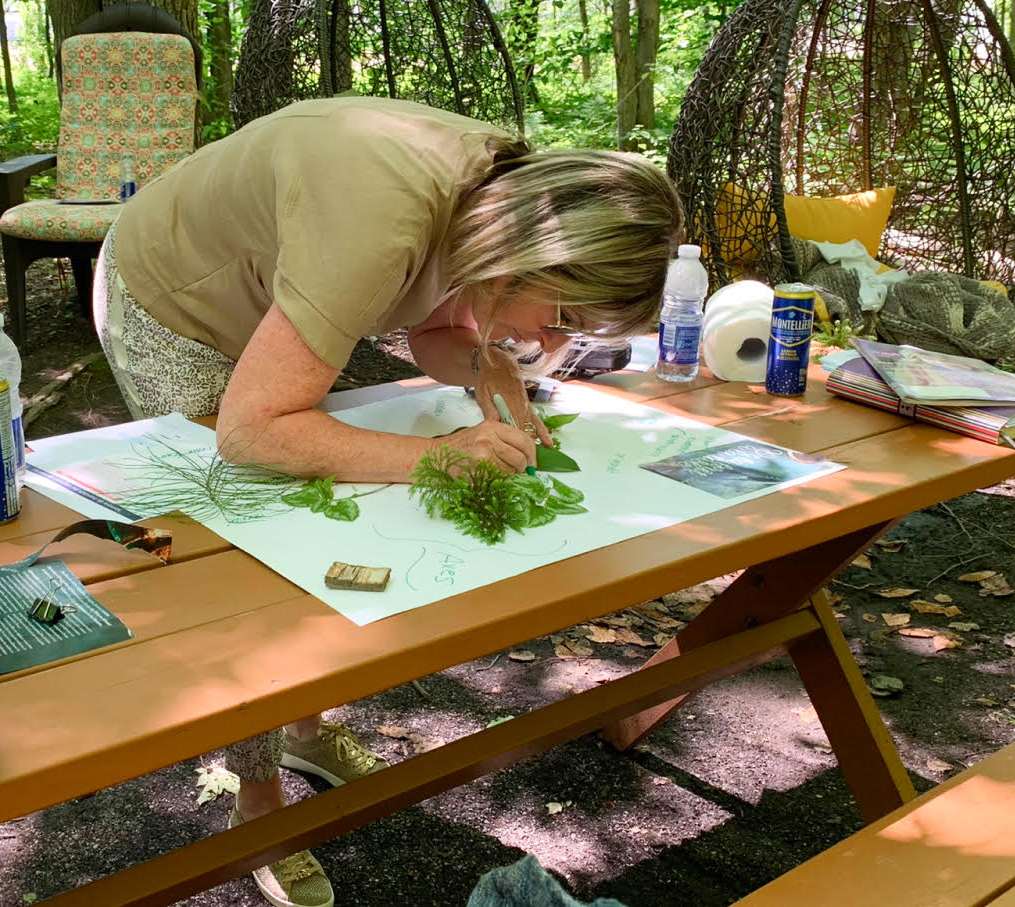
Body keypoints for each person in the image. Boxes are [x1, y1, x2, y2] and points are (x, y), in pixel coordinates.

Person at [95, 95, 681, 907]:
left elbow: (436, 323)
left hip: (276, 293)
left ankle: (305, 733)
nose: (552, 350)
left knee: (307, 507)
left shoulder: (501, 195)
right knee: (248, 550)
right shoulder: (378, 218)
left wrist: (490, 368)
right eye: (563, 318)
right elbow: (253, 430)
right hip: (175, 301)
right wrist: (436, 458)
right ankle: (258, 805)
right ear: (524, 256)